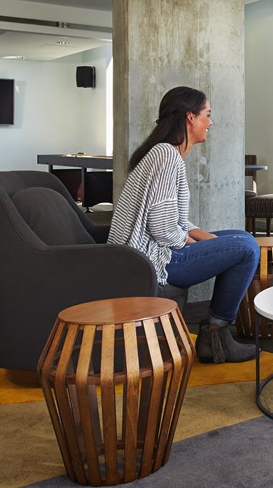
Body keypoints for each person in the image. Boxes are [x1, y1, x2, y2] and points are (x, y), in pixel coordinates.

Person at [108, 86, 260, 363]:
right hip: (154, 260)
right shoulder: (166, 156)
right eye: (208, 115)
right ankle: (217, 334)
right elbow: (163, 229)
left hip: (149, 253)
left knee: (240, 238)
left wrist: (212, 241)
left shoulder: (163, 153)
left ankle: (217, 337)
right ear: (190, 118)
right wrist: (204, 246)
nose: (211, 122)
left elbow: (179, 222)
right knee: (248, 248)